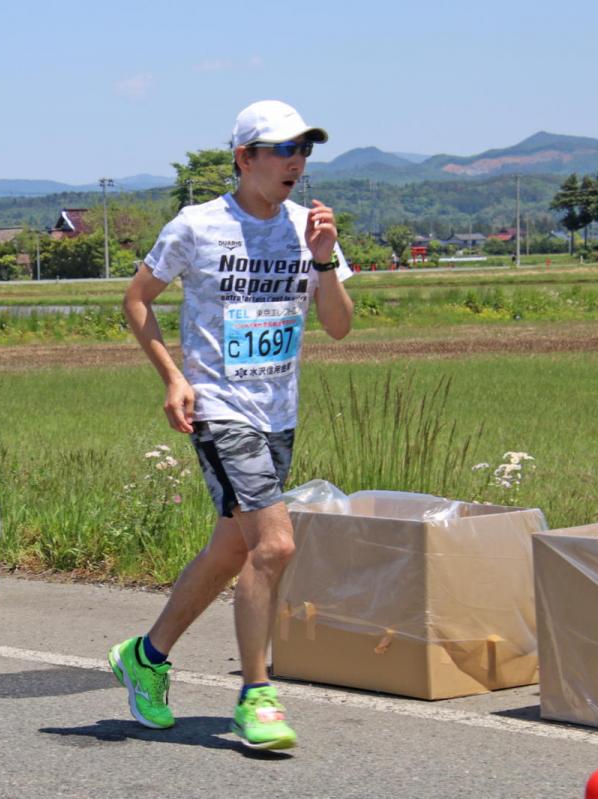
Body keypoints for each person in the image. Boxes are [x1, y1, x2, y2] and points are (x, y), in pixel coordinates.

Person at [112, 100, 354, 750]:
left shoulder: (310, 228)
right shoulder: (197, 226)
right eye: (283, 150)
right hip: (219, 409)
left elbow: (338, 325)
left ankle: (145, 657)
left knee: (231, 551)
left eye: (304, 149)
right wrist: (174, 377)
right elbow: (136, 299)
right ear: (245, 158)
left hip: (279, 412)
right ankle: (256, 696)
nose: (296, 162)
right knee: (274, 545)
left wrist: (324, 260)